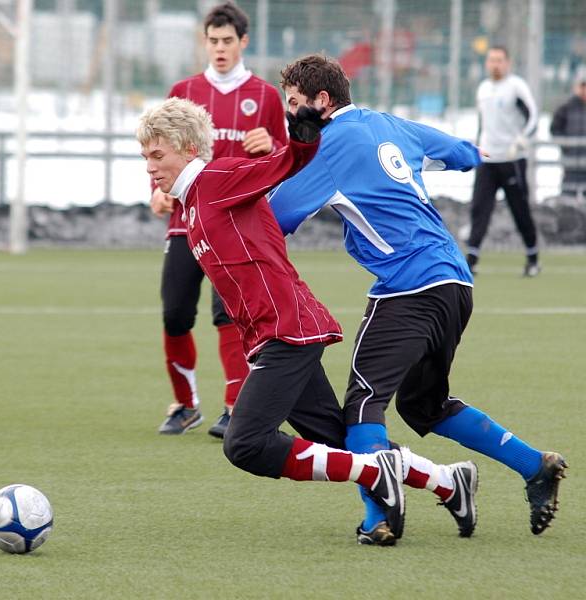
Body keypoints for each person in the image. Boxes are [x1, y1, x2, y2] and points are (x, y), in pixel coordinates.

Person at [138, 96, 489, 547]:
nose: (149, 165)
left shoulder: (217, 178)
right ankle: (447, 480)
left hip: (288, 331)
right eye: (145, 156)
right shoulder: (191, 203)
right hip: (275, 336)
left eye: (157, 154)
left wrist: (303, 137)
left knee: (244, 443)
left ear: (188, 149)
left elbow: (286, 162)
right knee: (342, 440)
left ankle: (372, 472)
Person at [269, 53, 567, 539]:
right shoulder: (387, 123)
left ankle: (379, 518)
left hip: (409, 286)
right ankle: (534, 464)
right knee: (423, 406)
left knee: (363, 404)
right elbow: (459, 152)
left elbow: (277, 217)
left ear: (321, 102)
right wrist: (475, 153)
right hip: (455, 282)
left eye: (295, 105)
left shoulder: (328, 145)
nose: (290, 116)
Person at [150, 2, 288, 438]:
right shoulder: (183, 91)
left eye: (228, 41)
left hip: (236, 226)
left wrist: (270, 144)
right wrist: (155, 188)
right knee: (175, 314)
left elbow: (288, 160)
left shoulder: (265, 96)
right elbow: (159, 149)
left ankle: (234, 406)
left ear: (243, 42)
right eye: (213, 41)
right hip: (185, 221)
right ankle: (185, 404)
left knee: (228, 316)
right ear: (204, 42)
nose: (220, 48)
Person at [466, 46, 541, 277]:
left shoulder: (516, 87)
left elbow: (533, 116)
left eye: (499, 60)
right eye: (491, 60)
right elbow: (483, 124)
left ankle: (532, 257)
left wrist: (521, 140)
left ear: (507, 63)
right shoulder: (483, 89)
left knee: (519, 210)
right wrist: (476, 149)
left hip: (512, 159)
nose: (495, 64)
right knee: (480, 208)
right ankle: (471, 259)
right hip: (488, 161)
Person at [550, 77, 586, 197]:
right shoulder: (566, 107)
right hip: (572, 163)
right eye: (582, 86)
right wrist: (566, 146)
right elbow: (554, 129)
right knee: (568, 196)